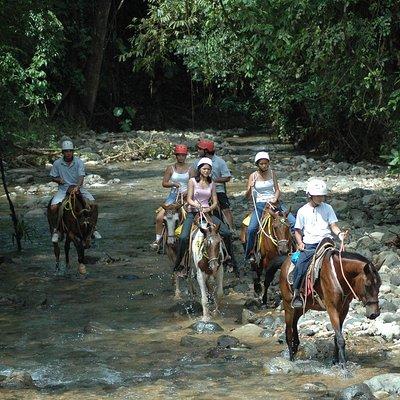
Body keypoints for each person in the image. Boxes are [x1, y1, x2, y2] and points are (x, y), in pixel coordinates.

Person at [173, 157, 237, 274]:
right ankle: (179, 264)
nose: (206, 171)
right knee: (183, 237)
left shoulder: (211, 183)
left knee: (226, 233)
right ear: (199, 169)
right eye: (204, 169)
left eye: (208, 169)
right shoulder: (192, 181)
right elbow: (189, 199)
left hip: (207, 213)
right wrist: (196, 205)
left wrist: (209, 208)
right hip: (193, 212)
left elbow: (215, 201)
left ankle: (228, 260)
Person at [292, 179, 348, 308]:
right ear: (310, 195)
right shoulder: (302, 211)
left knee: (343, 262)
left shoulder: (328, 208)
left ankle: (347, 290)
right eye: (318, 195)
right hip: (310, 244)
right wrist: (300, 243)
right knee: (301, 266)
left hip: (327, 242)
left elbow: (333, 225)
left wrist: (340, 234)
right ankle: (297, 293)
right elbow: (298, 230)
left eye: (322, 195)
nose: (321, 198)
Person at [244, 151, 295, 262]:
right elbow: (247, 196)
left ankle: (296, 247)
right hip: (260, 204)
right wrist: (250, 188)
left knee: (293, 221)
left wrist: (275, 198)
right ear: (257, 164)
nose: (264, 165)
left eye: (266, 163)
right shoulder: (253, 176)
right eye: (262, 164)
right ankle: (250, 253)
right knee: (252, 229)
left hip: (275, 203)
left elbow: (277, 190)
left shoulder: (272, 173)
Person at [48, 139, 101, 243]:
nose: (68, 153)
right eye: (66, 151)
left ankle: (93, 228)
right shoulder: (57, 163)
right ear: (63, 152)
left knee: (94, 205)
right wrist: (59, 180)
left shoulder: (79, 162)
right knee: (53, 207)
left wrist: (78, 186)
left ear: (73, 152)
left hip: (79, 188)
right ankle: (56, 230)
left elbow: (81, 176)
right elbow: (53, 177)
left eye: (70, 151)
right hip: (63, 190)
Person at [150, 144, 190, 250]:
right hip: (173, 197)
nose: (181, 157)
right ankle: (157, 240)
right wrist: (173, 184)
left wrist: (187, 191)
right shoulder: (170, 168)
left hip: (187, 197)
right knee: (159, 217)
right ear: (176, 156)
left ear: (186, 156)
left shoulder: (191, 169)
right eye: (179, 155)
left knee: (191, 216)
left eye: (183, 155)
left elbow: (194, 183)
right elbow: (164, 183)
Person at [192, 139, 235, 233]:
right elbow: (193, 177)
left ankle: (231, 229)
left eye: (200, 149)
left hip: (218, 189)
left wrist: (212, 181)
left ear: (206, 151)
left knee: (225, 208)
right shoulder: (196, 162)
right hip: (201, 189)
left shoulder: (220, 162)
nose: (198, 151)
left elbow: (227, 177)